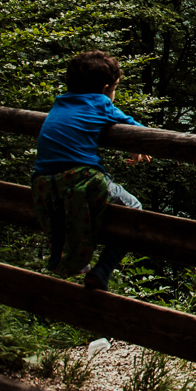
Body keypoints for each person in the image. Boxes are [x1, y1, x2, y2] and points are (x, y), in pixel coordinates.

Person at [32, 50, 150, 291]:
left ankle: (65, 260)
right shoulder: (100, 103)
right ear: (106, 88)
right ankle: (102, 271)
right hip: (79, 179)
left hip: (43, 183)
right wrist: (138, 146)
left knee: (64, 213)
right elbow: (136, 128)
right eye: (115, 87)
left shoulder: (60, 102)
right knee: (133, 208)